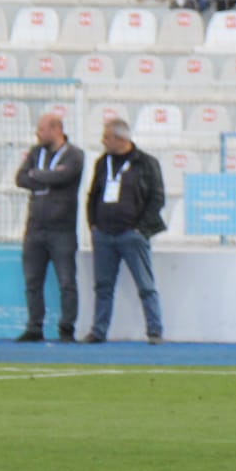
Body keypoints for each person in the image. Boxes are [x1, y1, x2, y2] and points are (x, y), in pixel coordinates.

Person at [82, 118, 167, 345]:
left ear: (120, 139)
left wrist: (140, 229)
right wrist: (94, 225)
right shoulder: (102, 163)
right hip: (104, 235)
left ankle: (155, 330)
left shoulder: (146, 163)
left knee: (145, 285)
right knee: (103, 286)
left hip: (132, 235)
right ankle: (98, 331)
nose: (103, 141)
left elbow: (157, 198)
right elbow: (93, 195)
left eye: (106, 137)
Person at [14, 111, 84, 342]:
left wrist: (39, 175)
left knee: (66, 281)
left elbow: (63, 178)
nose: (37, 133)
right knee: (32, 281)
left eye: (41, 129)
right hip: (35, 228)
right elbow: (21, 178)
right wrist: (48, 176)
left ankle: (67, 327)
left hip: (61, 229)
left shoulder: (74, 155)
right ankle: (34, 326)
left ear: (56, 130)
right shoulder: (36, 152)